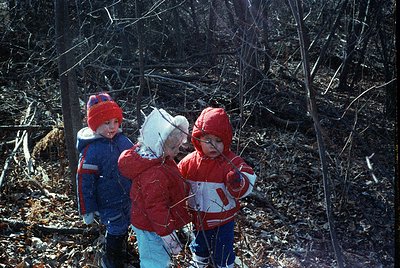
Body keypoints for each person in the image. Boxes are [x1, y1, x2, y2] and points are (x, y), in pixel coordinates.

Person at [178, 107, 257, 268]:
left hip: (223, 218)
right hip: (199, 217)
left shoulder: (231, 162)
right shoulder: (190, 162)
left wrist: (237, 182)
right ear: (198, 139)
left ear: (226, 140)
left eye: (218, 140)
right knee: (200, 244)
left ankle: (224, 265)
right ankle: (199, 261)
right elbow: (177, 180)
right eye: (207, 140)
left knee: (223, 249)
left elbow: (248, 178)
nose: (213, 146)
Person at [118, 107, 191, 268]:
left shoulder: (159, 159)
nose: (177, 151)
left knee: (159, 257)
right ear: (157, 144)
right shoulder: (154, 173)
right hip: (150, 226)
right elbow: (155, 207)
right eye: (173, 147)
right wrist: (167, 234)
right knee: (154, 261)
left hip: (154, 223)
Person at [76, 92, 133, 268]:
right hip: (107, 202)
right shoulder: (91, 151)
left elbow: (136, 159)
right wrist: (87, 209)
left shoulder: (123, 141)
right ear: (94, 125)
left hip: (128, 196)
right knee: (116, 227)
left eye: (116, 122)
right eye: (107, 123)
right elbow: (84, 183)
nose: (113, 127)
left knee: (127, 224)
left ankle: (123, 249)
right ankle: (111, 259)